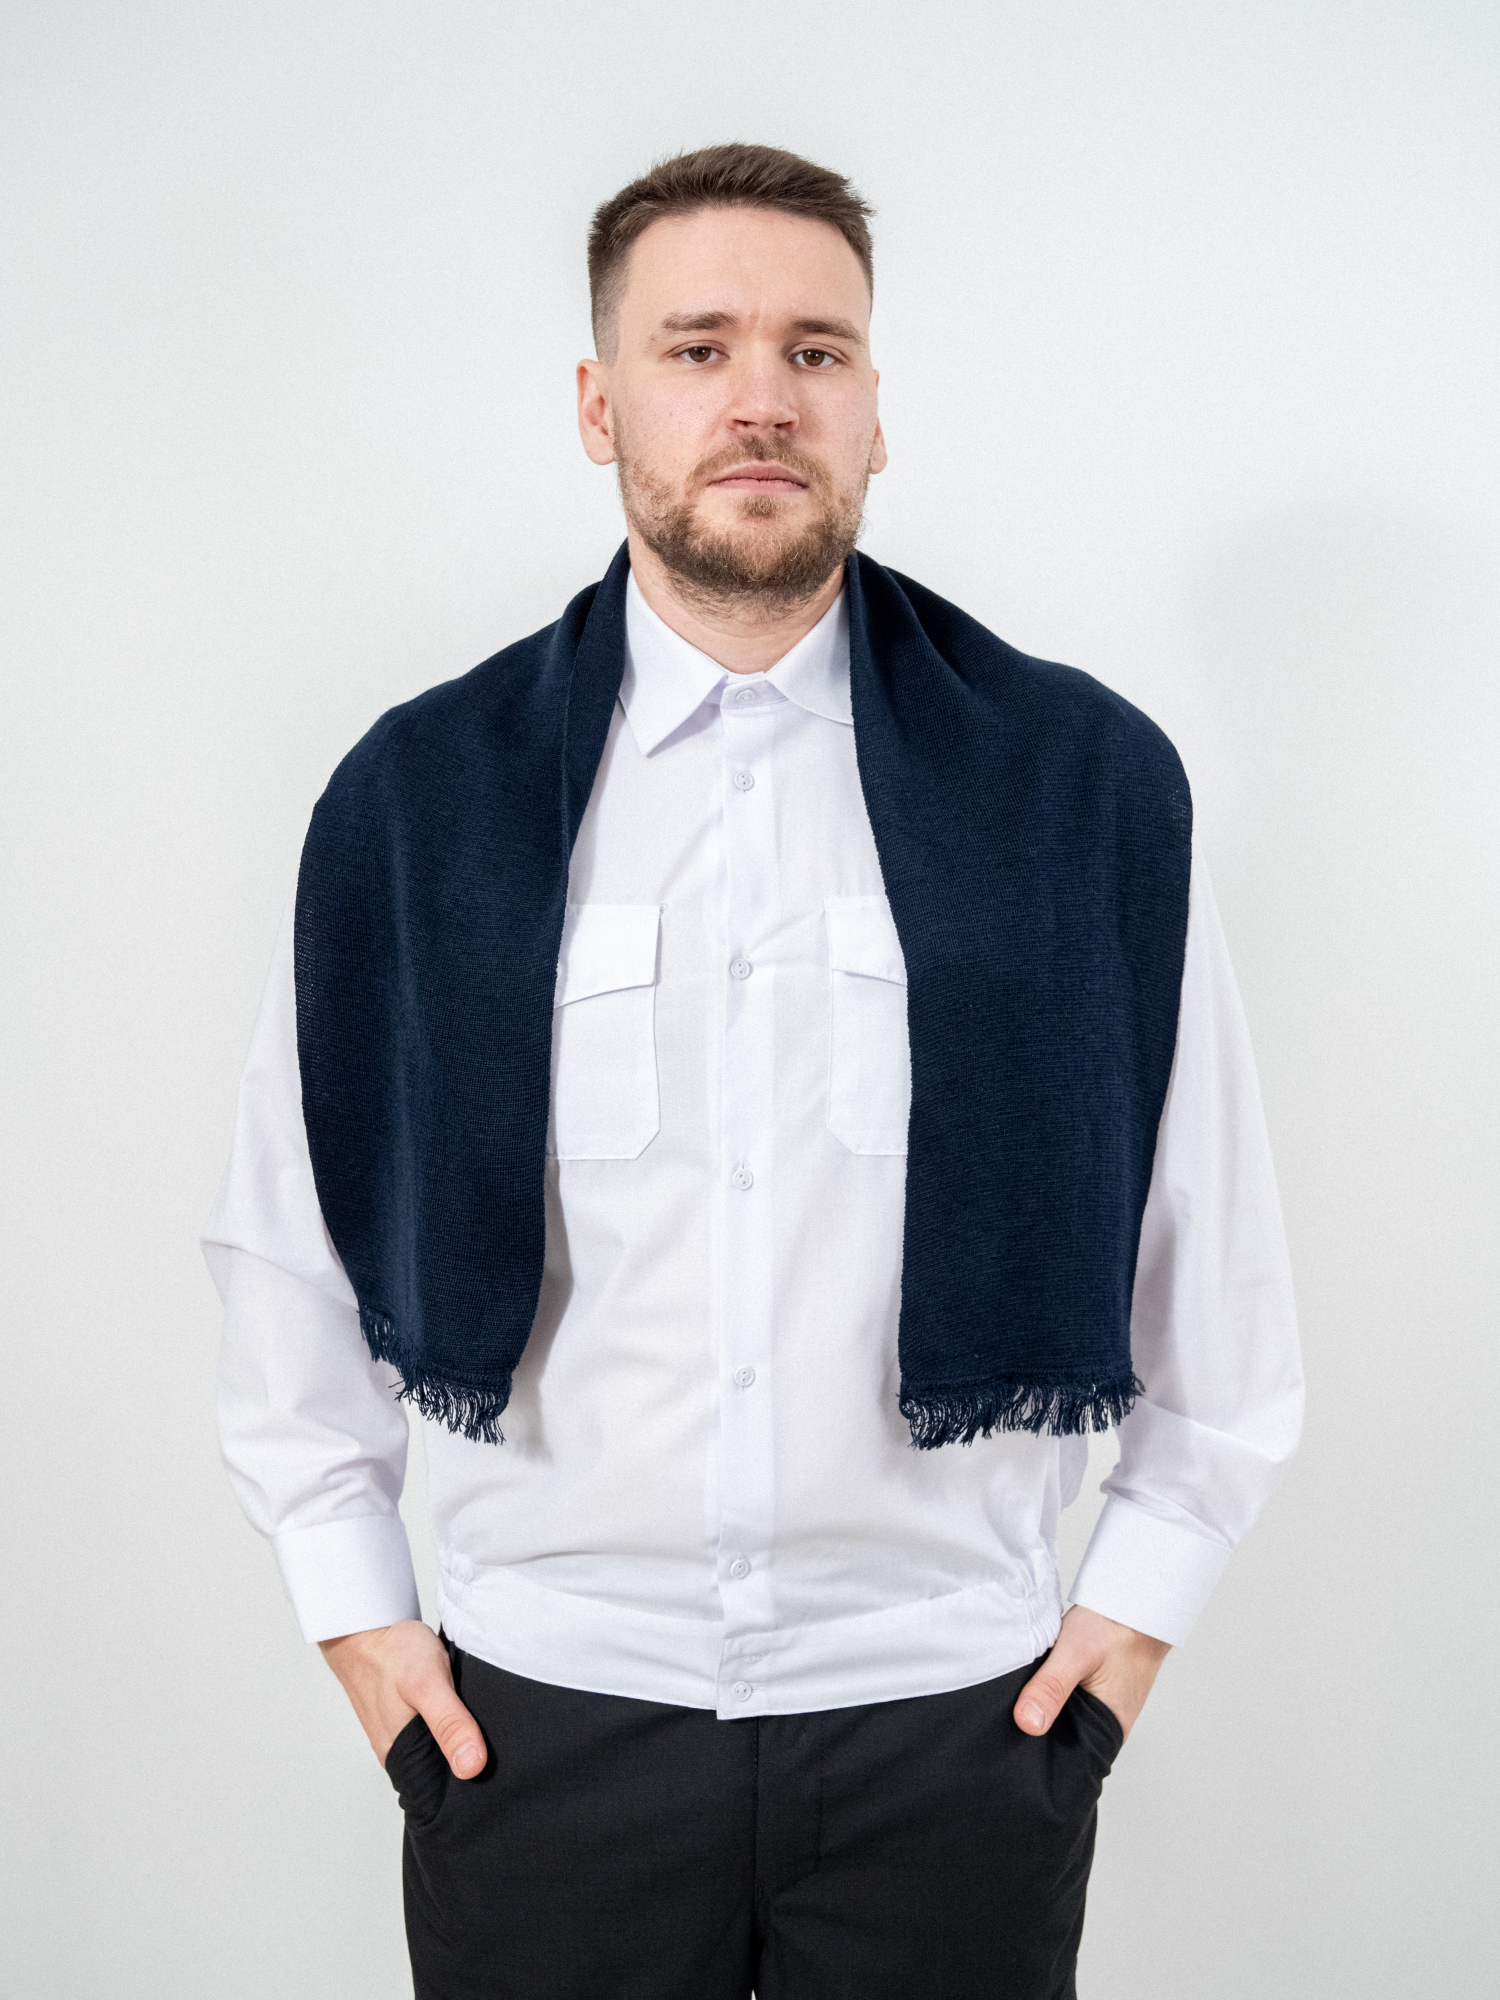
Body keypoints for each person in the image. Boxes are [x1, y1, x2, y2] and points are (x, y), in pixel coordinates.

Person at [204, 142, 1303, 2000]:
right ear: (600, 404)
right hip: (541, 1726)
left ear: (875, 410)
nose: (761, 399)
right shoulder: (421, 799)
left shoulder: (1079, 789)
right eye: (698, 347)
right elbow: (287, 1238)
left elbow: (1217, 1237)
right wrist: (361, 1624)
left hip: (958, 1722)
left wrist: (1127, 1632)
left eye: (816, 350)